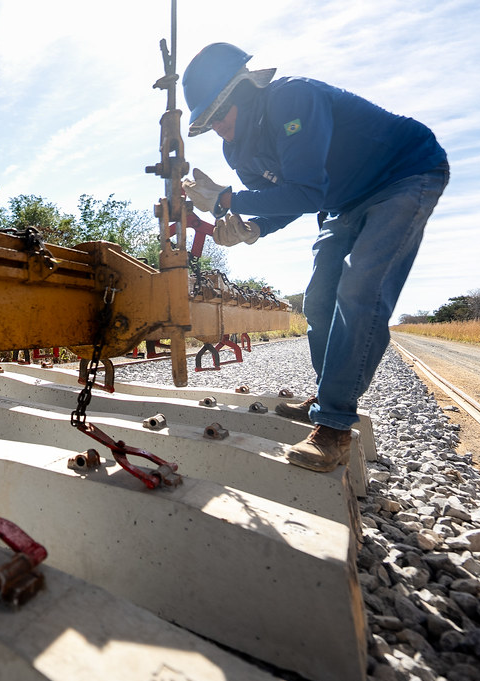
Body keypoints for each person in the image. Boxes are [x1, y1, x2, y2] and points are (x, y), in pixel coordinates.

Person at [181, 43, 448, 472]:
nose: (216, 129)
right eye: (207, 123)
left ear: (242, 92)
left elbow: (309, 191)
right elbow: (284, 201)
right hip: (342, 200)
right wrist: (254, 227)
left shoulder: (293, 98)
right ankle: (327, 399)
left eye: (217, 115)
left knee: (361, 289)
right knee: (321, 299)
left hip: (404, 174)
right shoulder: (237, 152)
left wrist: (228, 198)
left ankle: (335, 426)